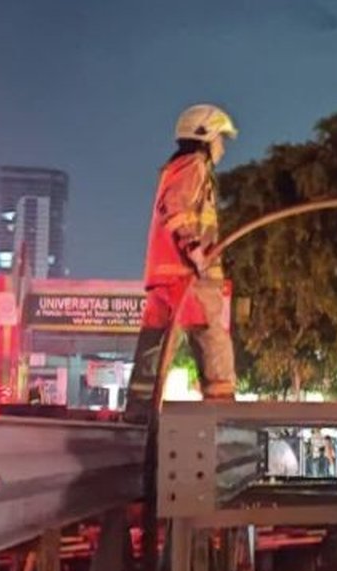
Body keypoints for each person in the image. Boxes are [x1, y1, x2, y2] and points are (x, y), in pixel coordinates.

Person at [124, 104, 239, 423]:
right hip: (188, 278)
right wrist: (197, 251)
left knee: (155, 346)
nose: (222, 147)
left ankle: (138, 412)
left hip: (168, 278)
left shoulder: (176, 168)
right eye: (220, 139)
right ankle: (223, 415)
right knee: (214, 341)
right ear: (205, 136)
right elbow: (177, 209)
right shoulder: (194, 166)